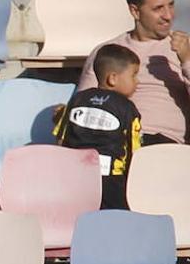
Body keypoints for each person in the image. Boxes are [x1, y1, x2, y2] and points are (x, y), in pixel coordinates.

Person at [80, 0, 190, 146]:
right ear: (135, 11)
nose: (168, 16)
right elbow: (84, 107)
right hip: (114, 141)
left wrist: (187, 61)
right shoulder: (108, 53)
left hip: (163, 144)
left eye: (171, 5)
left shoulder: (186, 47)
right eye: (158, 9)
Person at [55, 44, 143, 210]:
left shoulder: (77, 100)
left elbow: (61, 139)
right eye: (134, 75)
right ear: (113, 79)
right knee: (113, 218)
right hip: (111, 179)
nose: (137, 82)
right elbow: (134, 150)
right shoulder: (127, 109)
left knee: (77, 214)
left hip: (76, 175)